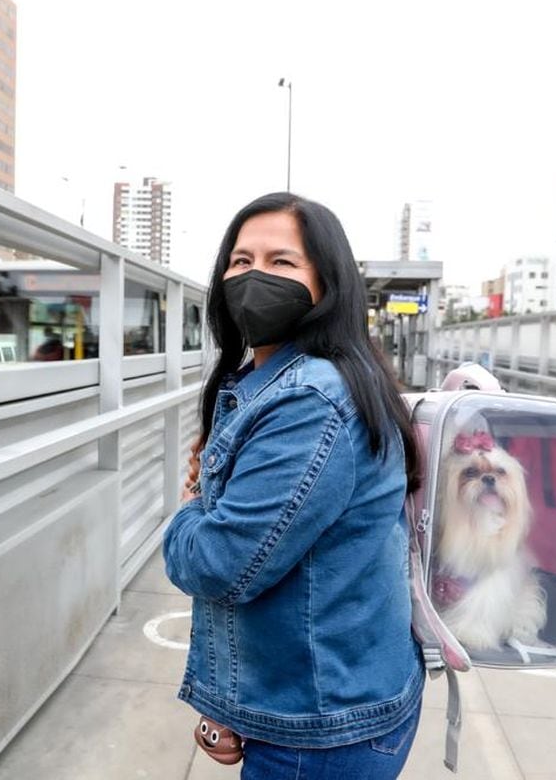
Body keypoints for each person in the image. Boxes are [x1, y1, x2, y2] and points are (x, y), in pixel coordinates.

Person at [163, 192, 425, 779]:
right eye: (241, 261)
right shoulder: (276, 381)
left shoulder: (310, 400)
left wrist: (191, 508)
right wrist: (227, 706)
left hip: (320, 728)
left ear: (327, 285)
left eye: (281, 261)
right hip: (313, 701)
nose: (254, 277)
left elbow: (218, 565)